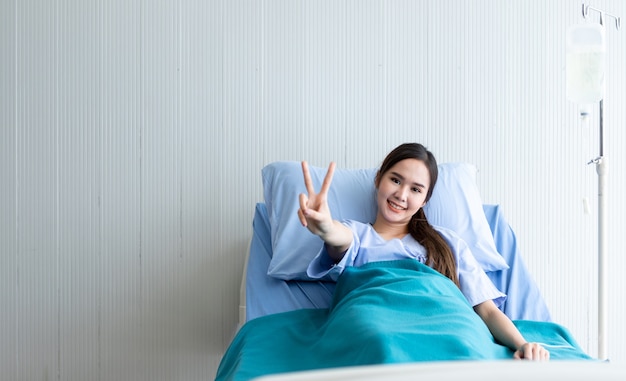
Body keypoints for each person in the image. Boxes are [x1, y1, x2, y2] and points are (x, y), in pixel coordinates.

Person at [297, 142, 550, 361]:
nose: (401, 195)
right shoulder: (359, 235)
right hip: (377, 321)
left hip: (449, 323)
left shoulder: (447, 243)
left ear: (425, 200)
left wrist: (522, 344)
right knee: (379, 342)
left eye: (416, 189)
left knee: (464, 344)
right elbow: (338, 238)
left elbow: (486, 310)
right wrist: (325, 227)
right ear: (379, 180)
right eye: (395, 180)